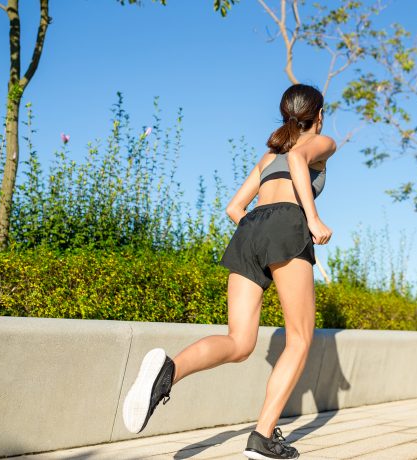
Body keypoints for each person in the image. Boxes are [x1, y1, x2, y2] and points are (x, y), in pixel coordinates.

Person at [121, 83, 336, 460]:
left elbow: (235, 208)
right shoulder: (323, 142)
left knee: (239, 342)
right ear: (318, 115)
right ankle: (262, 438)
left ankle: (168, 371)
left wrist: (261, 228)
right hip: (287, 224)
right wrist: (312, 219)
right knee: (300, 339)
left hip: (249, 230)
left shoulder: (268, 157)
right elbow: (301, 160)